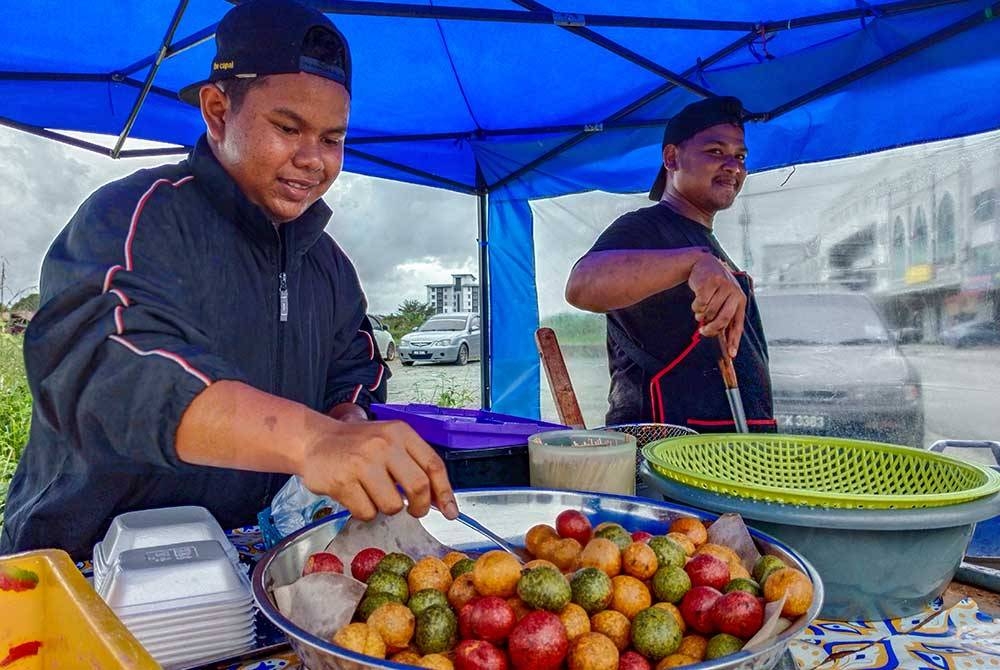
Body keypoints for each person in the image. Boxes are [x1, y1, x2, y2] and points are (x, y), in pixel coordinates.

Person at [0, 0, 457, 560]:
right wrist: (314, 440)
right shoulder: (132, 219)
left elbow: (354, 371)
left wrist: (349, 423)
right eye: (288, 127)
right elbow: (110, 366)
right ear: (217, 111)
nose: (313, 160)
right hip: (90, 570)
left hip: (253, 562)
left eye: (333, 139)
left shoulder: (329, 264)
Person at [565, 96, 775, 432]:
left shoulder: (707, 240)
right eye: (716, 152)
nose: (733, 166)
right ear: (672, 158)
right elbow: (581, 285)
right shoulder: (646, 227)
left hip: (728, 454)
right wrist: (694, 262)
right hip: (666, 461)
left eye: (740, 156)